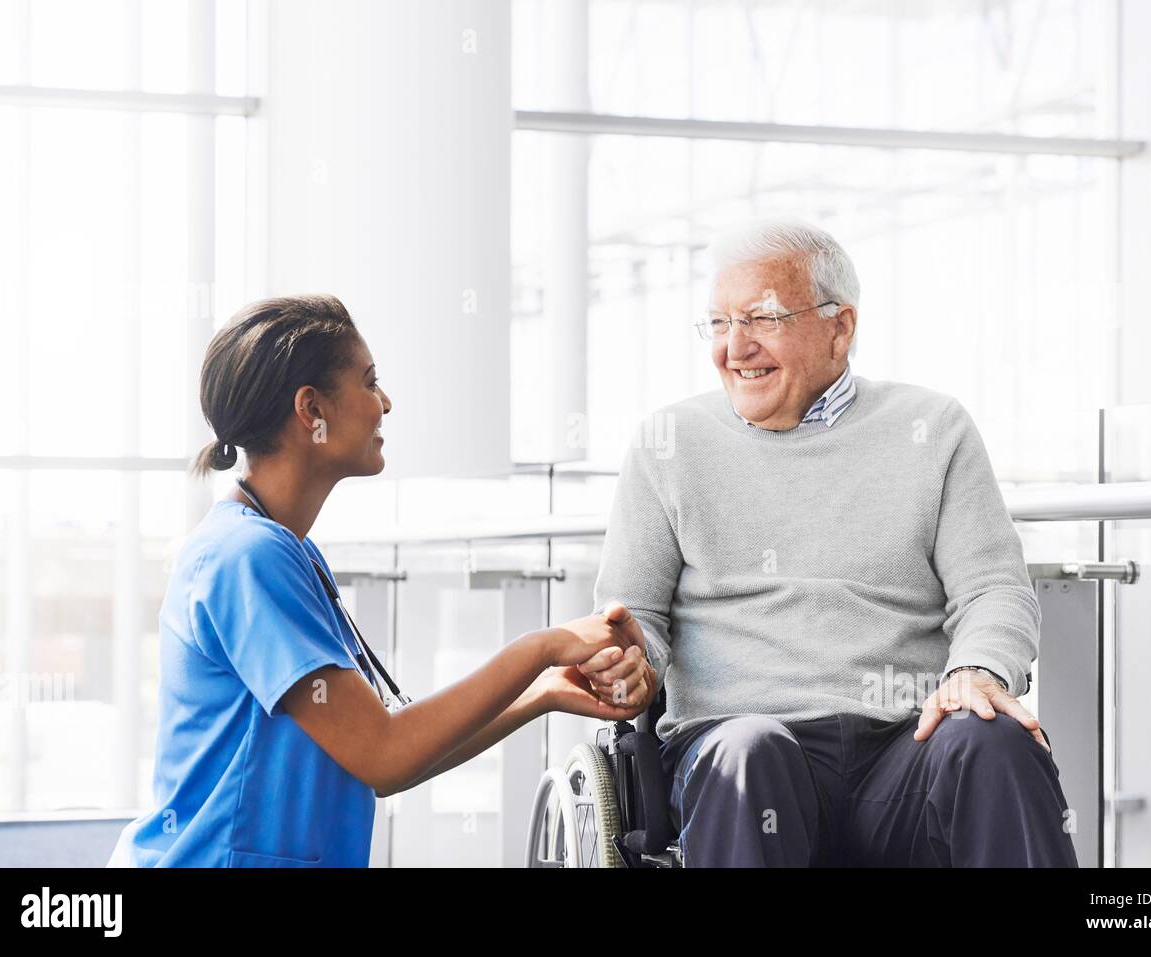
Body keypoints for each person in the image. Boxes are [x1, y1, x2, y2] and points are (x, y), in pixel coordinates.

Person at [579, 218, 1078, 866]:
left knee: (993, 740)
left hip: (904, 751)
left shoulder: (934, 428)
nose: (734, 347)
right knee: (752, 752)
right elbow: (631, 617)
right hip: (742, 753)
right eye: (719, 324)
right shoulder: (668, 444)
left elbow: (994, 590)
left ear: (839, 327)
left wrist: (975, 670)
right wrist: (626, 661)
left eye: (760, 319)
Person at [107, 294, 652, 867]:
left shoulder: (285, 551)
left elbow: (382, 754)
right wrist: (540, 648)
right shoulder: (247, 557)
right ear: (310, 409)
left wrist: (543, 692)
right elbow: (382, 754)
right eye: (369, 383)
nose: (385, 403)